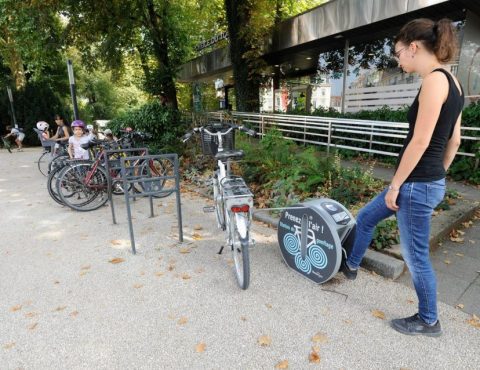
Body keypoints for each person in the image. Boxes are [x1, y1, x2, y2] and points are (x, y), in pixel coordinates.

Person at [341, 18, 464, 337]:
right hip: (423, 182)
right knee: (366, 217)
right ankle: (351, 265)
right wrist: (438, 174)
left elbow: (420, 141)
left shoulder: (434, 81)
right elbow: (455, 141)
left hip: (414, 186)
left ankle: (428, 319)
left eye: (398, 52)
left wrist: (398, 184)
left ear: (413, 47)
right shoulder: (454, 82)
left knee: (416, 256)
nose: (397, 59)